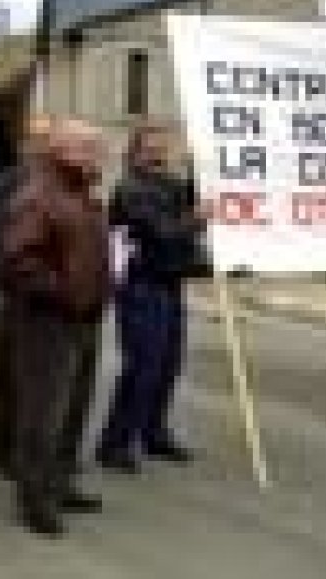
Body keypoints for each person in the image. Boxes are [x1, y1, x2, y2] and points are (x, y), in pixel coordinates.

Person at [0, 118, 109, 536]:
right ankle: (35, 499)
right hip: (48, 322)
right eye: (89, 148)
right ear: (62, 150)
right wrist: (64, 293)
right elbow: (20, 260)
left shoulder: (83, 194)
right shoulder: (39, 196)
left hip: (84, 320)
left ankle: (60, 483)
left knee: (73, 410)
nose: (97, 156)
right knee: (43, 414)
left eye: (97, 148)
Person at [98, 125, 204, 472]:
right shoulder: (131, 189)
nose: (159, 154)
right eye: (151, 149)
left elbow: (189, 197)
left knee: (167, 364)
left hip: (170, 285)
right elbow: (163, 233)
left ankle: (153, 432)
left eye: (163, 147)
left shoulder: (167, 184)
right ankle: (115, 443)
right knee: (143, 366)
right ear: (135, 153)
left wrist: (200, 171)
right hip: (141, 287)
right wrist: (196, 220)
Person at [0, 114, 55, 479]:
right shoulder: (8, 183)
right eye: (36, 139)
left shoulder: (65, 181)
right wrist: (5, 279)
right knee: (13, 378)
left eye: (48, 139)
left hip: (57, 303)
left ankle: (42, 453)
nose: (42, 147)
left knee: (49, 383)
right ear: (25, 144)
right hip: (18, 296)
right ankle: (8, 452)